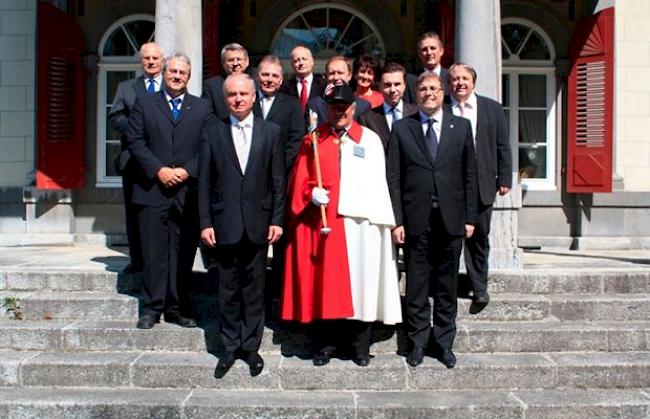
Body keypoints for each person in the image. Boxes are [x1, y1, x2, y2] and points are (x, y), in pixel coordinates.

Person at [282, 84, 402, 367]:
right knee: (327, 286)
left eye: (344, 106)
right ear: (326, 109)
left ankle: (360, 346)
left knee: (363, 285)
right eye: (333, 106)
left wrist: (384, 223)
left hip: (362, 226)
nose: (339, 111)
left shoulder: (369, 141)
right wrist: (309, 194)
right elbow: (300, 179)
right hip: (326, 225)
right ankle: (326, 344)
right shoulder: (313, 140)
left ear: (353, 108)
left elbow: (379, 184)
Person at [387, 73, 477, 369]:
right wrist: (397, 220)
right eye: (423, 89)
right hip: (416, 220)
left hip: (451, 220)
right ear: (416, 93)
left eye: (434, 88)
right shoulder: (402, 129)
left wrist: (470, 217)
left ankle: (444, 343)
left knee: (446, 286)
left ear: (443, 92)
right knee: (416, 286)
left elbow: (470, 175)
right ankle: (417, 343)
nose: (428, 93)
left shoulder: (461, 127)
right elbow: (394, 179)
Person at [199, 73, 285, 378]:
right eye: (232, 94)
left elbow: (277, 181)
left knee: (254, 288)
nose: (238, 99)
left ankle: (251, 348)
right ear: (226, 99)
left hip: (259, 224)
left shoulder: (270, 131)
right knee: (227, 288)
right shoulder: (213, 131)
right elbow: (205, 183)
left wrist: (277, 220)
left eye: (243, 94)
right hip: (224, 224)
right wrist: (205, 222)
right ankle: (229, 347)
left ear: (253, 97)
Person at [127, 52, 212, 330]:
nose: (177, 76)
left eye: (182, 73)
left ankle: (178, 307)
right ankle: (152, 308)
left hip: (187, 193)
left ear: (189, 77)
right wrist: (158, 169)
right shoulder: (145, 104)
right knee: (153, 253)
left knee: (183, 253)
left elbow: (208, 146)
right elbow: (135, 141)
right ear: (164, 73)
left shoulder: (201, 108)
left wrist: (188, 170)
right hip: (152, 189)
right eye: (172, 71)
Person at [447, 63, 512, 313]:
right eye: (455, 79)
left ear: (473, 82)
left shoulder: (492, 109)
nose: (460, 83)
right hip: (451, 186)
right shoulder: (443, 109)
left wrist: (504, 176)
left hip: (483, 183)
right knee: (450, 239)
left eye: (464, 78)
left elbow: (502, 145)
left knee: (479, 238)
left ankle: (479, 286)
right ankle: (449, 286)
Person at [254, 55, 306, 318]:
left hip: (282, 184)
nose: (270, 80)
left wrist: (272, 167)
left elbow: (296, 141)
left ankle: (280, 298)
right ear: (257, 75)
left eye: (275, 76)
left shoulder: (292, 105)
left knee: (282, 244)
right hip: (250, 188)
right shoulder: (246, 100)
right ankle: (256, 300)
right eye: (265, 75)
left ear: (282, 79)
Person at [108, 42, 164, 275]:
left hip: (162, 160)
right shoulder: (126, 87)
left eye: (155, 58)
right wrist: (136, 129)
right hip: (132, 159)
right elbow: (115, 117)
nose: (150, 62)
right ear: (140, 61)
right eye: (146, 58)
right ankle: (137, 259)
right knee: (134, 212)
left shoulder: (169, 87)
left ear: (162, 61)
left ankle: (159, 259)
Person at [358, 62, 418, 151]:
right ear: (379, 86)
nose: (393, 90)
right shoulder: (367, 119)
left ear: (405, 85)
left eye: (397, 84)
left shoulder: (417, 113)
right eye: (387, 85)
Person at [307, 56, 371, 126]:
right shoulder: (314, 105)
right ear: (326, 76)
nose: (336, 77)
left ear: (349, 75)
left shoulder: (363, 106)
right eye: (332, 73)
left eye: (340, 73)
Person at [202, 43, 250, 119]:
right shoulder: (212, 86)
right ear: (223, 64)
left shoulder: (256, 83)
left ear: (246, 62)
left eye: (239, 59)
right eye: (230, 60)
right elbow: (206, 115)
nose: (235, 63)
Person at [404, 32, 448, 104]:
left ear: (441, 51)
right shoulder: (410, 80)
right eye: (424, 49)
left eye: (432, 48)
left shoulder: (450, 77)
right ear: (419, 54)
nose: (429, 53)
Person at [280, 45, 326, 113]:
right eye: (296, 61)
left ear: (312, 62)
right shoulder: (285, 87)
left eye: (304, 59)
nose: (301, 63)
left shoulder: (324, 85)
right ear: (292, 65)